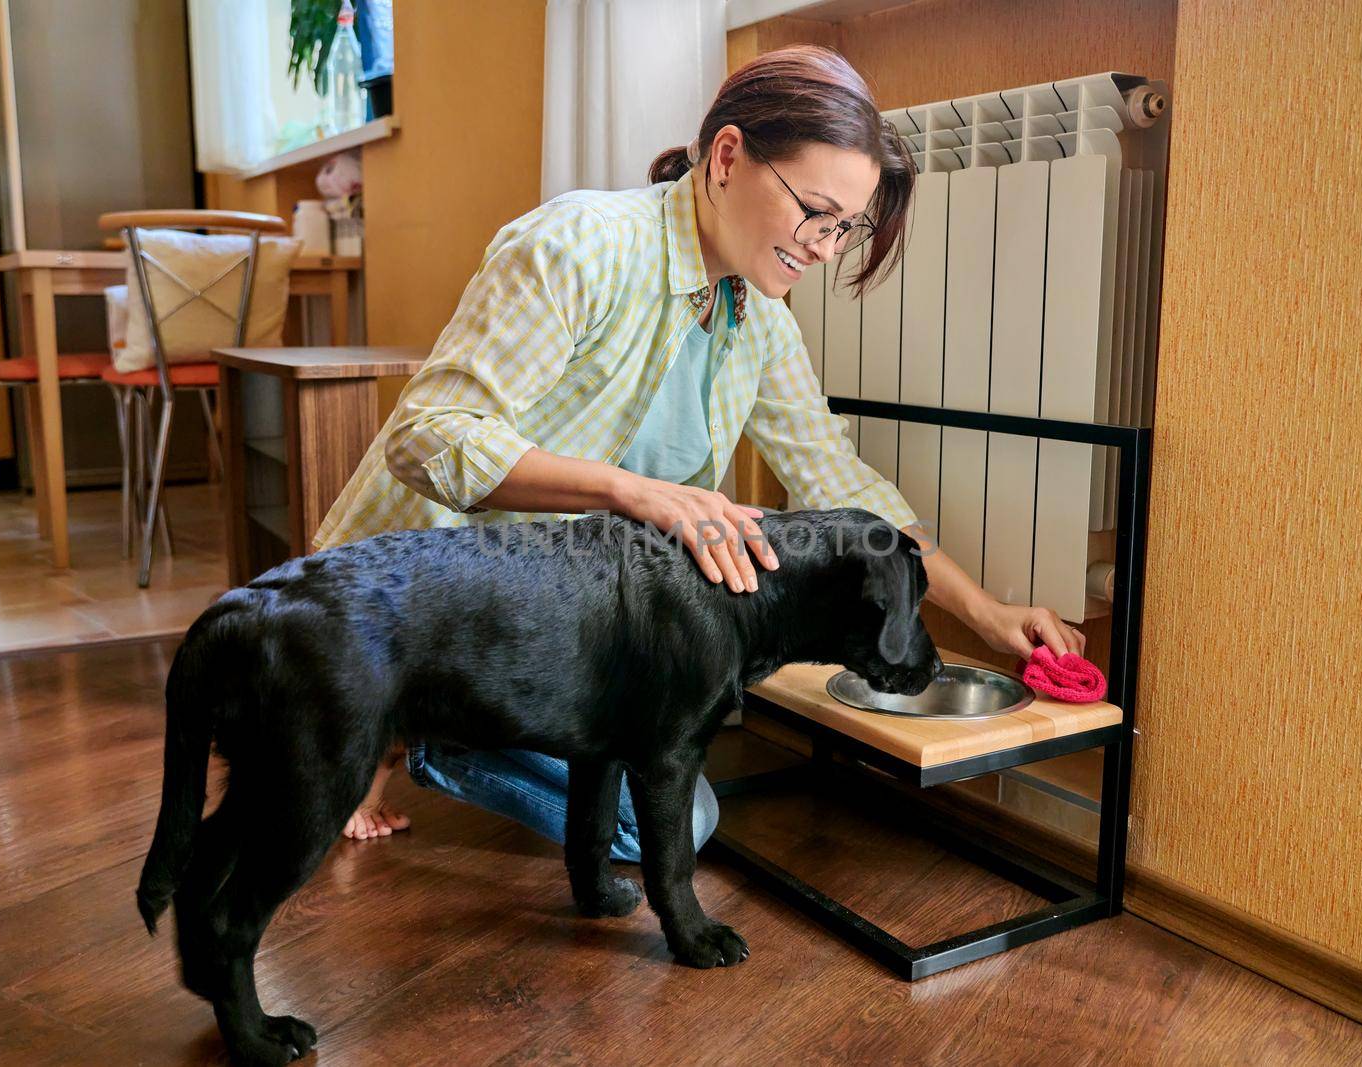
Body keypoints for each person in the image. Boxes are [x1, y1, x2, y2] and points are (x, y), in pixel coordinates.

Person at [306, 45, 1086, 848]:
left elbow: (836, 478)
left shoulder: (761, 324)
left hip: (569, 625)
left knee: (674, 814)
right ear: (726, 157)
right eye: (815, 211)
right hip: (410, 612)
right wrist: (633, 491)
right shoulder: (580, 245)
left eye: (844, 229)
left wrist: (986, 612)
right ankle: (405, 721)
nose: (824, 245)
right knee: (663, 829)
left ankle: (419, 725)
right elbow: (426, 435)